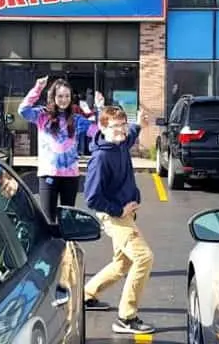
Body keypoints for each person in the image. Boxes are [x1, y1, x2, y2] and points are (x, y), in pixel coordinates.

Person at [83, 105, 155, 335]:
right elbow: (92, 198)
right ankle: (126, 317)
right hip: (115, 217)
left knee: (122, 263)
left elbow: (132, 132)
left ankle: (86, 294)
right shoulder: (101, 157)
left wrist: (140, 124)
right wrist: (118, 210)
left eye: (123, 125)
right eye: (116, 126)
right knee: (144, 258)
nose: (121, 130)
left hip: (126, 214)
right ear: (102, 128)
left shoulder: (121, 142)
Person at [18, 75, 103, 222]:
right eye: (60, 96)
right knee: (48, 220)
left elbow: (97, 130)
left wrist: (100, 108)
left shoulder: (76, 120)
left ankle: (68, 245)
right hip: (48, 175)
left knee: (67, 220)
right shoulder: (42, 115)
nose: (64, 99)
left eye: (67, 96)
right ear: (53, 97)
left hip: (70, 177)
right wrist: (37, 88)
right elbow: (23, 111)